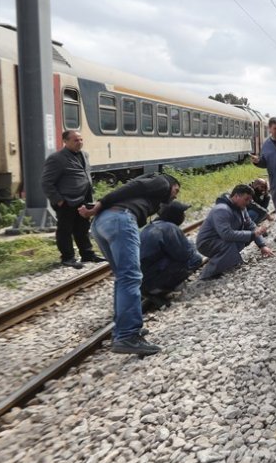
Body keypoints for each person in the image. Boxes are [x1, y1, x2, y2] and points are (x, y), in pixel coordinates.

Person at [80, 173, 181, 356]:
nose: (176, 195)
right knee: (131, 277)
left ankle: (122, 329)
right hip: (120, 219)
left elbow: (132, 189)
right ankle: (128, 336)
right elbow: (131, 188)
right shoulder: (162, 181)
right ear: (172, 183)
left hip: (102, 223)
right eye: (177, 190)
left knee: (123, 277)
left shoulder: (152, 195)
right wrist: (100, 203)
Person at [40, 130, 105, 269]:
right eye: (76, 140)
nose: (79, 142)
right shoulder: (56, 158)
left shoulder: (84, 155)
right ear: (65, 141)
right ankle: (68, 258)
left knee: (82, 228)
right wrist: (58, 200)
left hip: (84, 199)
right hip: (66, 201)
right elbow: (46, 182)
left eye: (81, 139)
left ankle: (87, 254)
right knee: (65, 230)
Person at [195, 184, 273, 279]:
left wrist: (262, 246)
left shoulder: (241, 208)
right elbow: (226, 234)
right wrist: (252, 234)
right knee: (230, 244)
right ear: (236, 196)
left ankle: (227, 260)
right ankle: (208, 274)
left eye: (250, 200)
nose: (248, 203)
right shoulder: (221, 210)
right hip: (206, 243)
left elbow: (251, 225)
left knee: (242, 240)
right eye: (246, 199)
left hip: (219, 239)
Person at [139, 200, 203, 309]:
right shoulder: (169, 228)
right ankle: (159, 289)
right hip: (151, 279)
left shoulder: (149, 227)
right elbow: (184, 255)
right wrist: (191, 246)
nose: (183, 216)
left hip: (139, 279)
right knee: (195, 259)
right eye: (182, 213)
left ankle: (151, 288)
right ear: (175, 215)